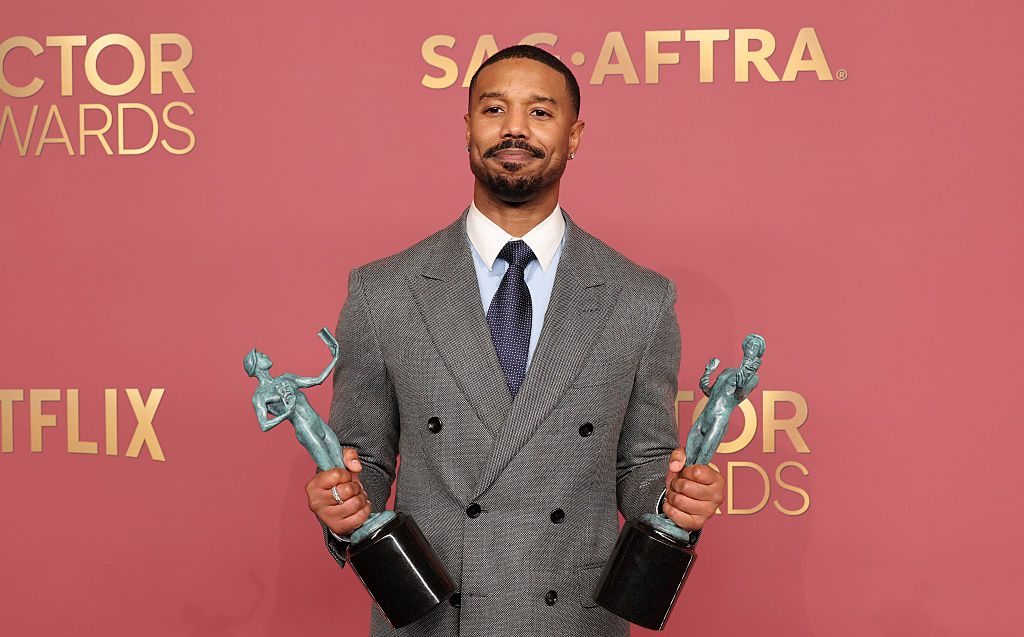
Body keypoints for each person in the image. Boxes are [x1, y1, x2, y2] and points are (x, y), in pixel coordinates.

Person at [303, 45, 725, 637]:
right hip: (435, 614)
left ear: (574, 137)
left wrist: (673, 500)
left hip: (574, 617)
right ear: (467, 128)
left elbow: (643, 462)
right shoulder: (383, 292)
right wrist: (344, 502)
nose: (515, 129)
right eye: (494, 109)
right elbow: (362, 457)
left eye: (540, 112)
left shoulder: (640, 298)